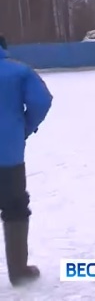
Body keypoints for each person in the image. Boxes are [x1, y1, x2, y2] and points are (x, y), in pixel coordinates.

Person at [0, 39, 52, 286]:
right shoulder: (19, 71)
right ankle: (18, 271)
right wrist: (24, 127)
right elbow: (41, 101)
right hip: (7, 154)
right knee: (15, 208)